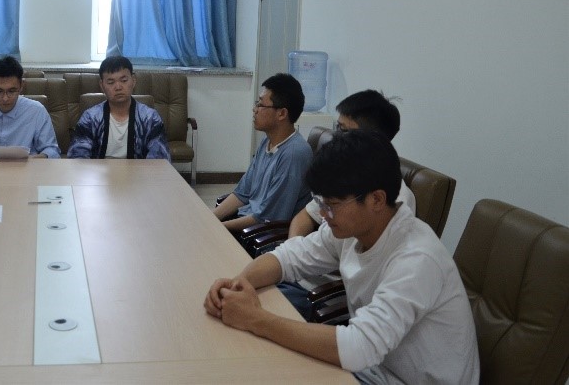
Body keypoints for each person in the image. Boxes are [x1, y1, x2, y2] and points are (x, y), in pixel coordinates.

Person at [204, 130, 479, 384]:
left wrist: (256, 319)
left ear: (376, 199)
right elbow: (289, 258)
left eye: (332, 205)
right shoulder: (352, 228)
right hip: (375, 367)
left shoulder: (417, 259)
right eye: (320, 203)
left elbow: (359, 347)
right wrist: (238, 283)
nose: (323, 214)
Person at [288, 89, 416, 238]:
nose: (335, 137)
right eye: (337, 128)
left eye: (343, 130)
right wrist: (292, 244)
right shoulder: (340, 173)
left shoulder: (397, 202)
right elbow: (307, 216)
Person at [213, 73, 312, 232]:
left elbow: (266, 219)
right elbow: (242, 193)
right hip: (249, 222)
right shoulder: (267, 141)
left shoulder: (294, 154)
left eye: (260, 105)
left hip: (264, 235)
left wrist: (216, 227)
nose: (254, 110)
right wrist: (210, 218)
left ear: (282, 113)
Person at [67, 56, 170, 160]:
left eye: (124, 80)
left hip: (138, 170)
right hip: (99, 170)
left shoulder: (150, 118)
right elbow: (77, 157)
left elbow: (160, 159)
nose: (118, 87)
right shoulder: (90, 118)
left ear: (133, 81)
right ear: (102, 85)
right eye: (111, 82)